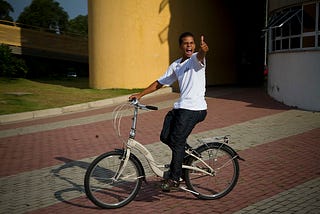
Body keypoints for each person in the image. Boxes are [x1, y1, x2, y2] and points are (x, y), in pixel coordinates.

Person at [129, 32, 209, 192]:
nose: (189, 46)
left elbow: (201, 55)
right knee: (166, 136)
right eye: (186, 43)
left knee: (178, 141)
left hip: (195, 108)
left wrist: (204, 50)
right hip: (181, 107)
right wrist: (140, 94)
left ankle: (175, 178)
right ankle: (189, 156)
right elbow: (159, 83)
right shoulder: (176, 65)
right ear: (180, 46)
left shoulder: (196, 60)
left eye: (192, 43)